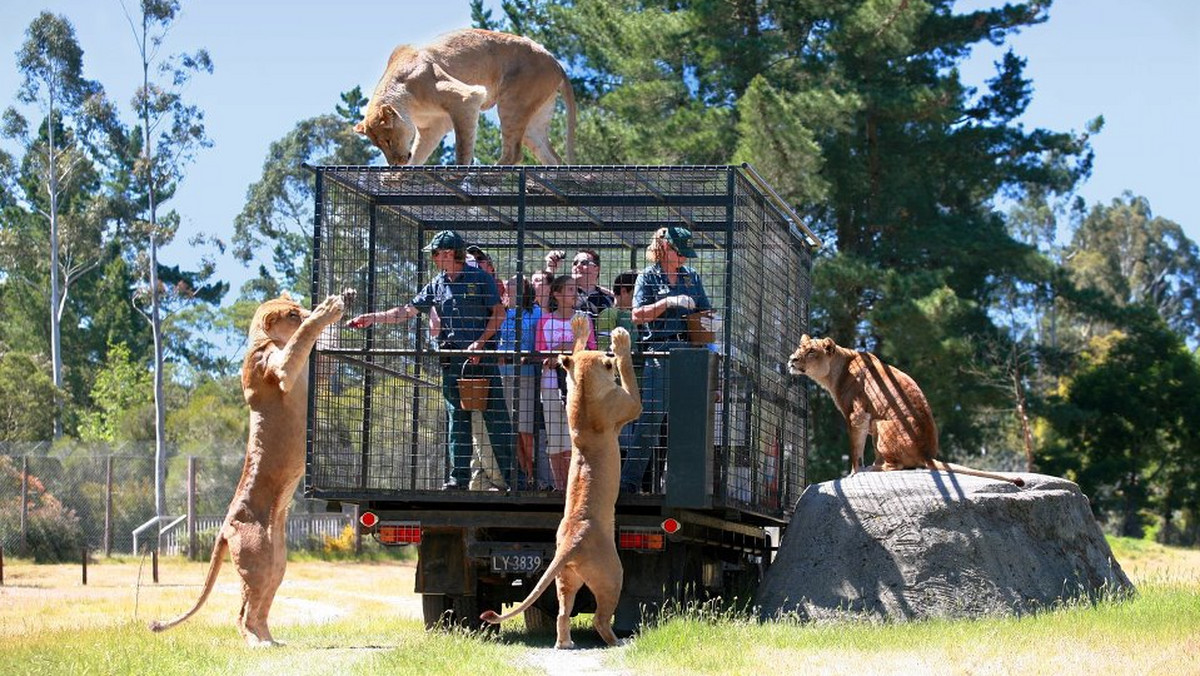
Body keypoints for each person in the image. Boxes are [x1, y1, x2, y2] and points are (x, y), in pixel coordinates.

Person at [346, 230, 515, 491]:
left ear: (448, 253)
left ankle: (513, 480)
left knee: (497, 419)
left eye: (435, 253)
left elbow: (499, 314)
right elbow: (406, 311)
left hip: (482, 360)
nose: (433, 258)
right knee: (456, 420)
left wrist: (480, 343)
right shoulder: (437, 284)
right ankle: (458, 479)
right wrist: (372, 317)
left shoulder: (480, 278)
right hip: (452, 362)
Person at [620, 226, 711, 493]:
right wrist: (668, 303)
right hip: (660, 352)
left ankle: (684, 486)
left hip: (690, 354)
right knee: (650, 418)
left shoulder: (691, 277)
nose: (683, 258)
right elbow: (637, 315)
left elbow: (706, 313)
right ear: (664, 248)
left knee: (688, 420)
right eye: (680, 252)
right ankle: (629, 483)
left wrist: (708, 335)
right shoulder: (647, 278)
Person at [536, 274, 595, 490]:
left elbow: (590, 349)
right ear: (557, 294)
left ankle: (576, 486)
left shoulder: (583, 318)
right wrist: (554, 356)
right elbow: (540, 352)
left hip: (578, 384)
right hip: (551, 384)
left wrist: (561, 356)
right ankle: (560, 487)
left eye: (575, 289)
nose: (574, 294)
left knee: (576, 435)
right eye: (569, 289)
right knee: (555, 436)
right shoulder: (545, 320)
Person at [497, 274, 541, 489]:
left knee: (525, 427)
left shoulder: (536, 312)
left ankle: (532, 472)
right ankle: (522, 474)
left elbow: (540, 340)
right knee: (510, 428)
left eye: (516, 282)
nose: (510, 285)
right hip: (503, 372)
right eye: (510, 282)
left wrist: (528, 354)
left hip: (526, 374)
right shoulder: (501, 311)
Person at [594, 270, 638, 352]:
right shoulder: (609, 313)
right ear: (623, 291)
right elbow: (604, 348)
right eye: (637, 292)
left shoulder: (636, 314)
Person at [571, 248, 615, 317]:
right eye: (575, 263)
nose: (578, 266)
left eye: (584, 263)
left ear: (597, 269)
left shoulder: (609, 297)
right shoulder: (561, 293)